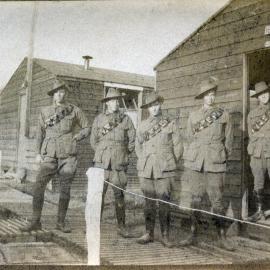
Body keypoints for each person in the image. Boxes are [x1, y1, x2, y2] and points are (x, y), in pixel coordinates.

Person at [21, 80, 90, 233]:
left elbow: (86, 127)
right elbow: (39, 133)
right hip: (50, 154)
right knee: (39, 186)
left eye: (62, 91)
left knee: (65, 189)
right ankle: (35, 221)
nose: (60, 94)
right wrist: (38, 153)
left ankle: (60, 222)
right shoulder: (45, 112)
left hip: (68, 155)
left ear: (66, 93)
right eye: (57, 92)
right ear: (53, 95)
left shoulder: (74, 110)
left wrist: (79, 136)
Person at [179, 77, 235, 251]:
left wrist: (219, 155)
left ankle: (221, 236)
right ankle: (192, 234)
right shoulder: (193, 116)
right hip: (196, 163)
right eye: (207, 95)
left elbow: (229, 142)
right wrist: (194, 154)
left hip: (215, 162)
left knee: (217, 200)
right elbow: (188, 138)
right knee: (195, 198)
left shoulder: (224, 114)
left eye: (213, 94)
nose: (210, 98)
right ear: (202, 97)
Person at [135, 92, 182, 248]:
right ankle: (149, 233)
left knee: (164, 202)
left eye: (156, 105)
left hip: (165, 168)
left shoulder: (170, 122)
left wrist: (170, 162)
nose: (154, 108)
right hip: (147, 168)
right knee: (148, 202)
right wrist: (143, 159)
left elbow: (178, 145)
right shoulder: (142, 125)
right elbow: (138, 146)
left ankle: (165, 236)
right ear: (147, 108)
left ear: (160, 105)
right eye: (151, 106)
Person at [90, 87, 135, 238]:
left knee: (119, 195)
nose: (115, 103)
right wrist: (102, 151)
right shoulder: (99, 119)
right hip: (101, 163)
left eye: (117, 100)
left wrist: (123, 153)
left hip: (118, 164)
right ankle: (94, 226)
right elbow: (93, 141)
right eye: (112, 100)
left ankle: (121, 226)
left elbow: (132, 139)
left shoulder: (125, 119)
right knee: (98, 195)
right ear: (107, 103)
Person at [247, 81, 270, 222]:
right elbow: (251, 133)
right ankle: (259, 211)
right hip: (257, 151)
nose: (264, 96)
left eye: (266, 93)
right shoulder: (252, 114)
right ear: (257, 97)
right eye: (261, 94)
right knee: (258, 182)